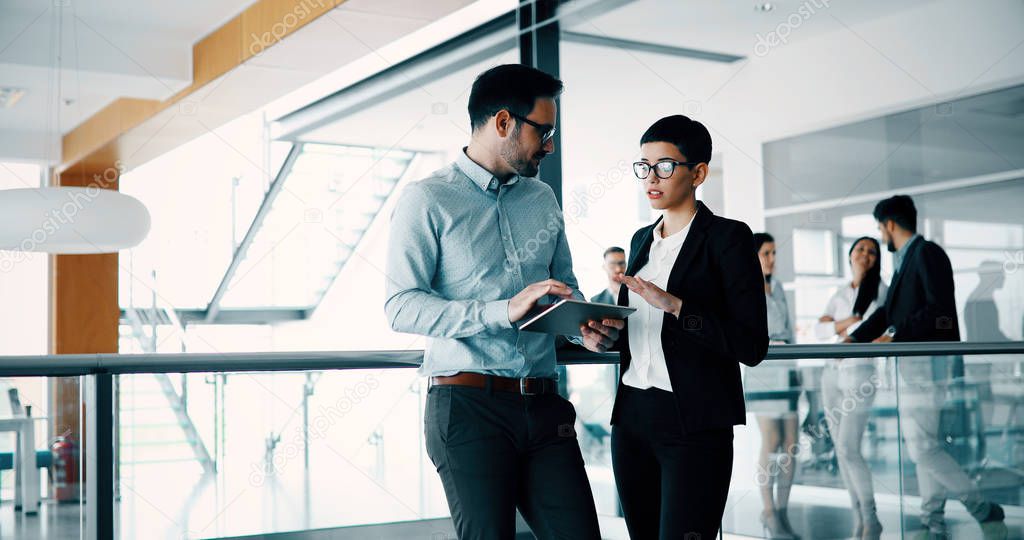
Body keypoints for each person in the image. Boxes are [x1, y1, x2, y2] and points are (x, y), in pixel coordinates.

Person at [384, 64, 624, 540]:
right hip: (468, 408)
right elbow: (400, 305)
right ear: (502, 122)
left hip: (545, 404)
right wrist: (503, 311)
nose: (550, 145)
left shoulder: (542, 198)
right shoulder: (427, 199)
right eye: (544, 131)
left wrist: (584, 326)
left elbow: (565, 286)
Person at [601, 115, 768, 539]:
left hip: (694, 421)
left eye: (665, 165)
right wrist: (600, 334)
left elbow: (751, 344)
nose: (650, 177)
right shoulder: (641, 241)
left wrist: (676, 306)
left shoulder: (728, 238)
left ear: (698, 173)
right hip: (633, 419)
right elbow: (640, 336)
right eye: (644, 165)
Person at [846, 195, 1006, 538]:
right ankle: (932, 519)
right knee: (925, 445)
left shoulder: (927, 253)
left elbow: (940, 310)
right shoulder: (907, 260)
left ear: (889, 224)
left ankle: (981, 507)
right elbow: (888, 312)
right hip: (914, 365)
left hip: (927, 365)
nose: (880, 235)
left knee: (922, 447)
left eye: (879, 228)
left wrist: (896, 336)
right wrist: (854, 340)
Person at [814, 237, 888, 539]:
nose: (865, 254)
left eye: (872, 251)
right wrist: (851, 320)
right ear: (850, 255)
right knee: (841, 451)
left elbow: (879, 330)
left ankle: (871, 516)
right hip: (831, 372)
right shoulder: (841, 292)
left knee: (848, 446)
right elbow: (819, 330)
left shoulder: (882, 293)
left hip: (860, 374)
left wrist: (839, 325)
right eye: (860, 249)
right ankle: (859, 516)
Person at [744, 232, 801, 538]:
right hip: (763, 368)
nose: (772, 259)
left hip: (787, 368)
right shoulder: (745, 287)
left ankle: (783, 509)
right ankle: (768, 510)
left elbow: (790, 330)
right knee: (772, 438)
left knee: (792, 443)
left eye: (774, 253)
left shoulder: (777, 287)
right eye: (766, 253)